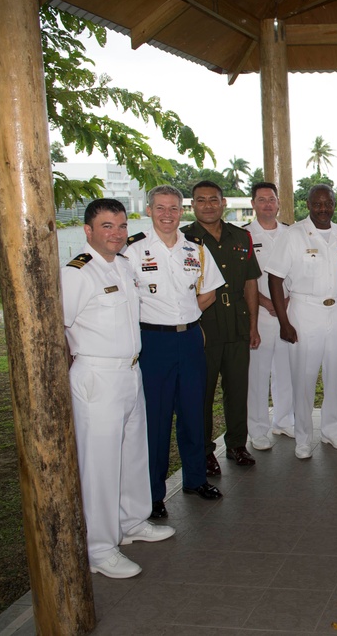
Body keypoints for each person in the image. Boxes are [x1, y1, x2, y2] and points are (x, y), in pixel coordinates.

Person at [62, 198, 175, 579]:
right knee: (100, 463)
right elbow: (57, 327)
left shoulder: (124, 266)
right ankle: (99, 547)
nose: (116, 233)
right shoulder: (79, 272)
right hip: (98, 375)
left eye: (122, 225)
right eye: (107, 226)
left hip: (129, 371)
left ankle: (131, 521)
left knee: (130, 453)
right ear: (88, 231)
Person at [126, 185, 224, 520]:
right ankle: (153, 494)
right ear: (149, 209)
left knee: (194, 412)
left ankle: (195, 479)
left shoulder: (194, 248)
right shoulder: (133, 251)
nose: (167, 215)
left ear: (181, 211)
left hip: (190, 338)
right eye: (161, 208)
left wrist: (185, 314)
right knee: (155, 419)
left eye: (173, 208)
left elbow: (209, 289)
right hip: (153, 343)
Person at [266, 185, 337, 456]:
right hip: (304, 311)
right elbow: (274, 278)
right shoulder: (293, 235)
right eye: (317, 204)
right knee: (304, 377)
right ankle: (302, 437)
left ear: (335, 204)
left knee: (336, 374)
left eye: (328, 203)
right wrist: (284, 322)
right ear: (308, 204)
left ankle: (332, 431)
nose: (323, 209)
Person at [182, 181, 262, 475]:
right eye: (201, 201)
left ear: (223, 202)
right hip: (204, 325)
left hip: (238, 323)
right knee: (202, 393)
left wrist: (253, 325)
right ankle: (204, 451)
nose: (208, 205)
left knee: (237, 388)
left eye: (213, 200)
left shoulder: (241, 237)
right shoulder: (183, 240)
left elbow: (251, 282)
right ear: (193, 205)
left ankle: (237, 445)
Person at [243, 182, 295, 450]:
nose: (267, 204)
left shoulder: (291, 233)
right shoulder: (244, 236)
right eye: (261, 200)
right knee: (258, 374)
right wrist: (265, 302)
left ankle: (284, 420)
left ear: (278, 203)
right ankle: (258, 429)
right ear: (253, 204)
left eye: (271, 199)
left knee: (286, 370)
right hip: (260, 314)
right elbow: (242, 278)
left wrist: (286, 301)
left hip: (287, 312)